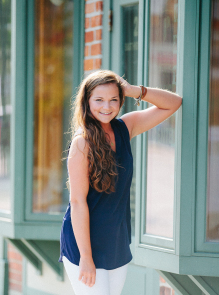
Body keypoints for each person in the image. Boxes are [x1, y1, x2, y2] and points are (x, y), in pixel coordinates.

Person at [59, 70, 182, 294]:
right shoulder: (82, 144)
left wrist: (135, 90)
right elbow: (77, 203)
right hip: (85, 243)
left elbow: (173, 103)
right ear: (87, 101)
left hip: (115, 240)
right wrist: (86, 257)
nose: (107, 106)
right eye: (99, 100)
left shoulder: (125, 127)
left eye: (113, 99)